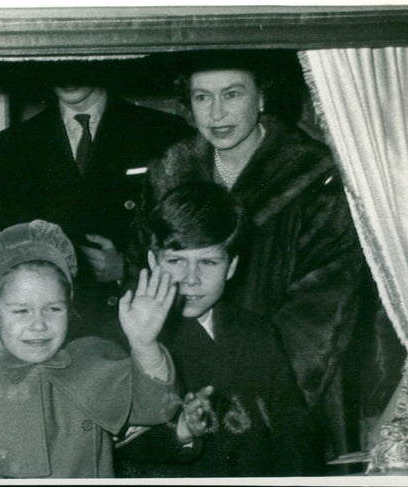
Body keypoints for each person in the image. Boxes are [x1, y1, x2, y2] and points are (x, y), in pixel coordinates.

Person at [142, 50, 373, 458]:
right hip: (182, 385)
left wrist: (247, 388)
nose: (216, 113)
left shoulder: (316, 176)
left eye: (232, 94)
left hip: (285, 387)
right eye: (202, 97)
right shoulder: (168, 171)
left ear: (262, 96)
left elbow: (324, 310)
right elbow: (148, 283)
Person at [0, 62, 192, 345]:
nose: (67, 74)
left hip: (133, 323)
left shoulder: (163, 132)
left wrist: (126, 269)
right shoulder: (11, 145)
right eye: (55, 62)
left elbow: (188, 239)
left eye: (79, 61)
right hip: (44, 332)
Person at [115, 181, 324, 477]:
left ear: (232, 266)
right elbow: (112, 446)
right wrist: (181, 433)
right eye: (176, 261)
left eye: (209, 262)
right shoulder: (128, 335)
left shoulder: (257, 331)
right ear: (153, 261)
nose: (191, 279)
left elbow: (294, 427)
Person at [0, 219, 181, 478]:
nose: (39, 325)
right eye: (21, 311)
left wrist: (144, 343)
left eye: (53, 309)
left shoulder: (95, 359)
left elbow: (160, 408)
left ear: (69, 312)